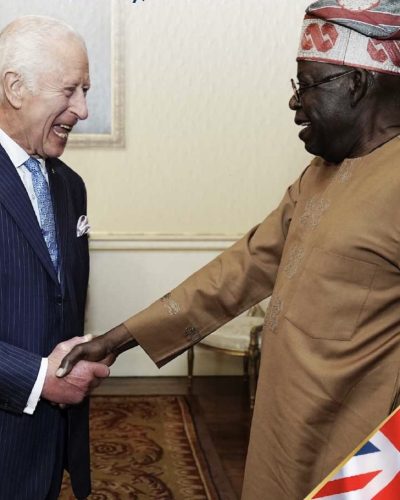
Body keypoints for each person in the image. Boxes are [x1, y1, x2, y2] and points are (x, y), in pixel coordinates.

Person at [58, 1, 400, 498]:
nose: (295, 104)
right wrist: (118, 338)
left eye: (307, 85)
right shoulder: (318, 176)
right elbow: (241, 269)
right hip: (283, 429)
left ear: (356, 84)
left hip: (356, 455)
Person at [0, 15, 110, 500]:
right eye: (69, 91)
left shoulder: (70, 186)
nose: (82, 110)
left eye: (85, 91)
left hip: (49, 441)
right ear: (15, 88)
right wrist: (39, 378)